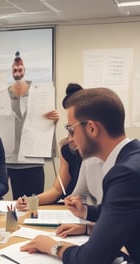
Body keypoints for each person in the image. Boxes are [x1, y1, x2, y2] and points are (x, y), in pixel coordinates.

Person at [20, 87, 140, 263]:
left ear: (92, 128)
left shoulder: (125, 174)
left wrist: (52, 246)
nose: (70, 139)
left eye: (71, 129)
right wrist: (86, 218)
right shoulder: (131, 159)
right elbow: (122, 213)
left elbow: (90, 259)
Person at [0, 51, 59, 200]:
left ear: (25, 69)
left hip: (33, 160)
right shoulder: (2, 94)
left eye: (20, 68)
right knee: (15, 202)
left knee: (34, 203)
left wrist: (54, 119)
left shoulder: (38, 93)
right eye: (15, 68)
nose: (17, 70)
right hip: (10, 160)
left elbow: (46, 121)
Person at [16, 83, 83, 209]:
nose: (70, 138)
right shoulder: (67, 150)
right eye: (68, 129)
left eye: (73, 130)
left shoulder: (101, 153)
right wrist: (31, 201)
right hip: (70, 210)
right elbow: (57, 190)